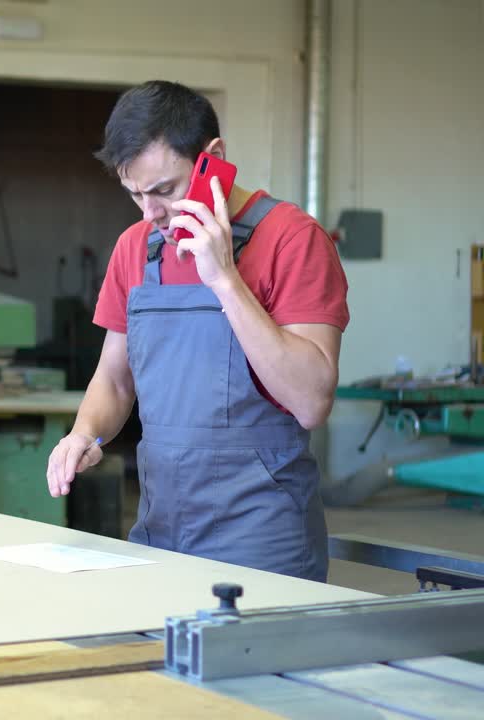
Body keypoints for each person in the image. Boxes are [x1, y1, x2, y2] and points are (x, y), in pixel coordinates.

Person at [46, 80, 349, 582]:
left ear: (214, 158)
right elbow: (116, 381)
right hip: (159, 525)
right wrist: (84, 433)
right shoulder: (136, 248)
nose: (151, 214)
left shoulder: (293, 240)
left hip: (262, 538)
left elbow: (311, 402)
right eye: (135, 194)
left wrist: (224, 278)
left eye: (165, 190)